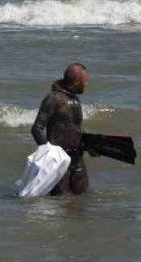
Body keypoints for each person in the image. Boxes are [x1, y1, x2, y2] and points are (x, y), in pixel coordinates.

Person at [31, 63, 94, 196]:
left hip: (77, 157)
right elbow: (37, 128)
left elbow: (75, 128)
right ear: (76, 81)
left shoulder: (75, 99)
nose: (86, 84)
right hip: (59, 160)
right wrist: (49, 153)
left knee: (83, 198)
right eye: (85, 80)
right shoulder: (53, 98)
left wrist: (91, 147)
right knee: (61, 200)